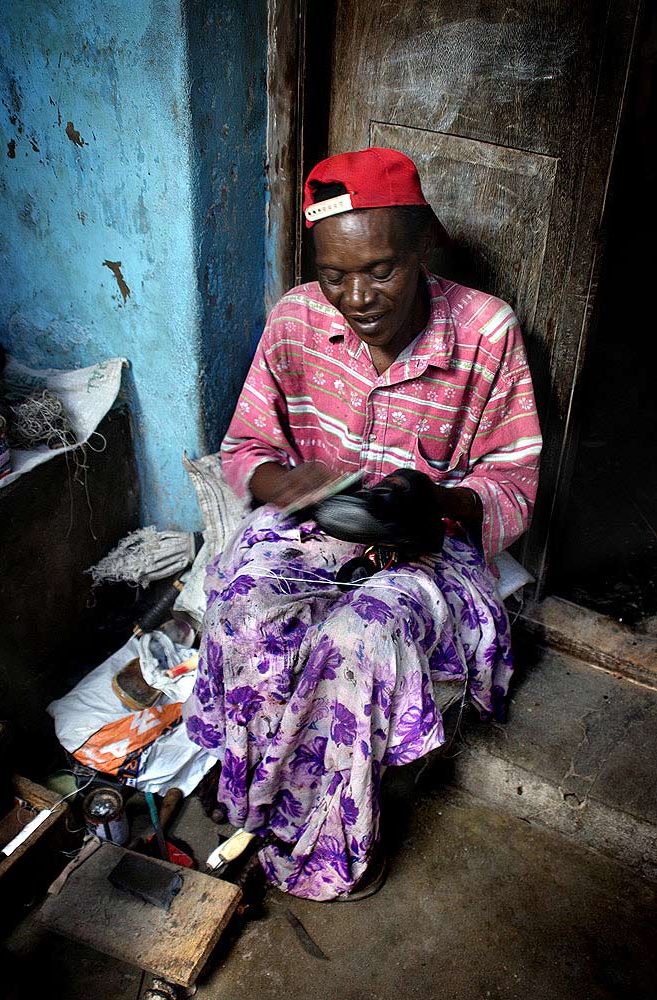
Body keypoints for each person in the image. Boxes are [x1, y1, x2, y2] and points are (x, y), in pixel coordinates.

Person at [184, 147, 542, 901]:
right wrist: (290, 483)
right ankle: (260, 800)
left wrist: (439, 500)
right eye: (334, 273)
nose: (356, 296)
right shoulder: (295, 319)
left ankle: (329, 849)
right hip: (316, 529)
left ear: (421, 250)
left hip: (430, 555)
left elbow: (513, 483)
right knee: (243, 609)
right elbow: (245, 446)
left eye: (380, 269)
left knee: (355, 641)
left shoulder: (484, 333)